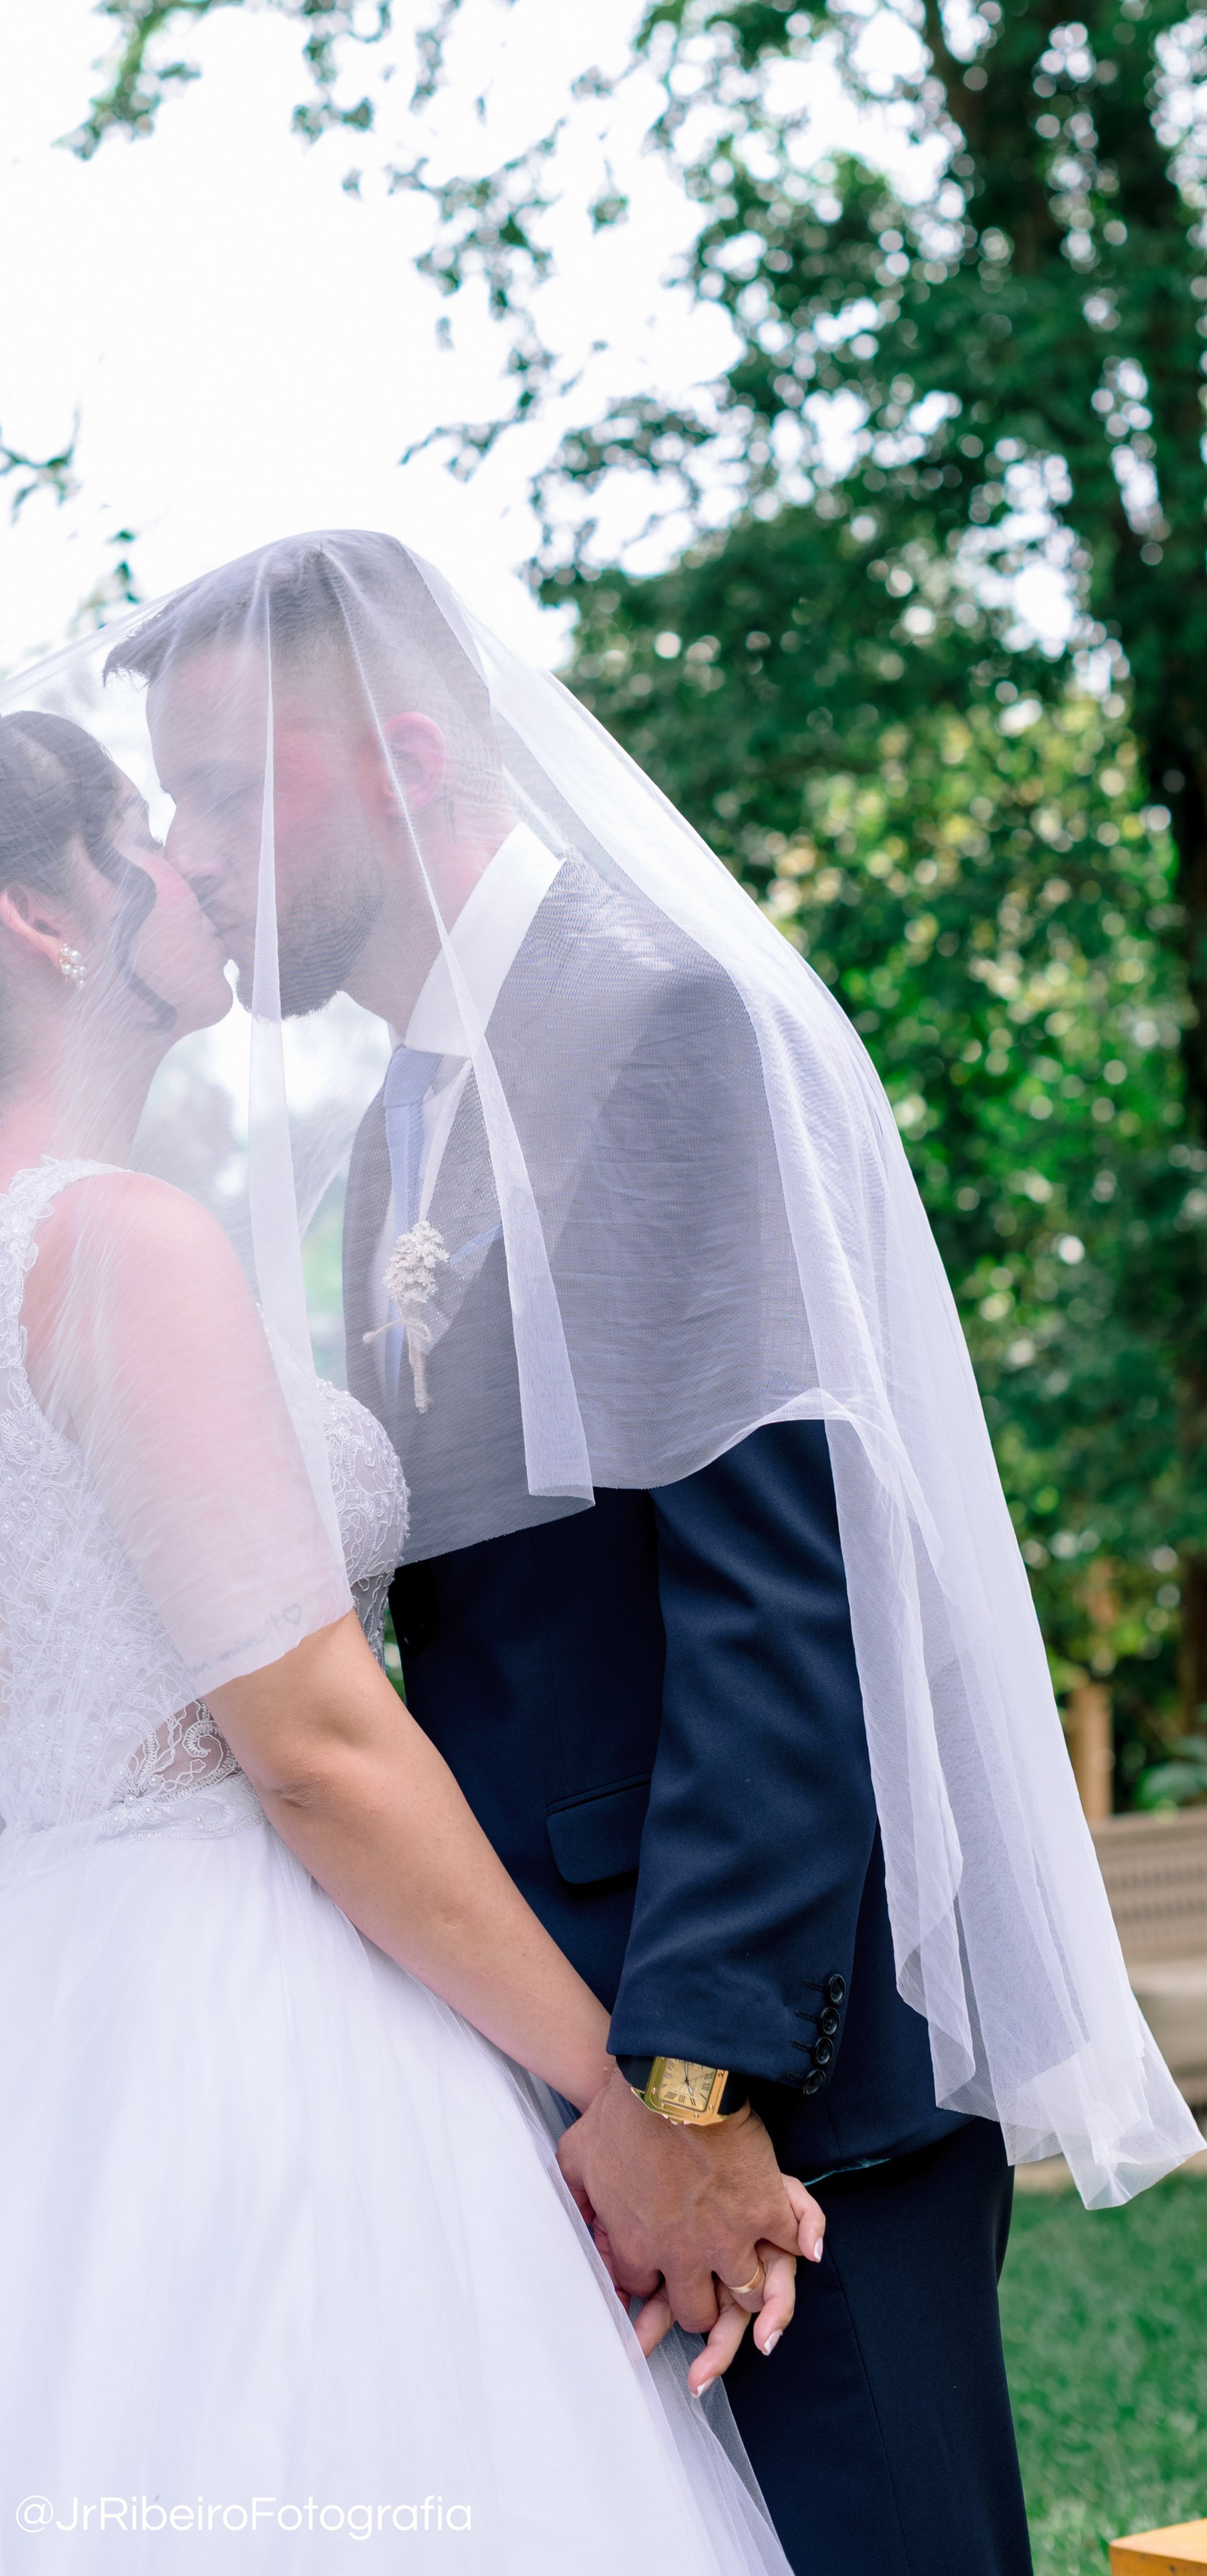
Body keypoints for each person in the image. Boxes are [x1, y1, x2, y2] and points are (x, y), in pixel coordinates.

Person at [0, 701, 805, 2576]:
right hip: (244, 2022)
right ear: (44, 919)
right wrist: (622, 2095)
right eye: (148, 829)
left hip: (40, 1976)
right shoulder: (118, 1245)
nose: (200, 861)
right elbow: (314, 1747)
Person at [122, 530, 1199, 2576]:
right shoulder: (401, 1121)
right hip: (558, 2077)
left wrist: (690, 2093)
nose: (190, 845)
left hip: (764, 2093)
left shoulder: (662, 1019)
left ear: (415, 753)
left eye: (231, 787)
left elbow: (782, 1593)